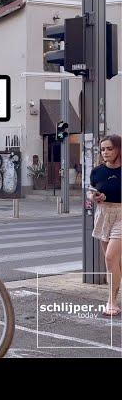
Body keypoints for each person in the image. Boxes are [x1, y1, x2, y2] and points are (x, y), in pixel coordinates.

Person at [88, 134, 121, 316]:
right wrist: (93, 196)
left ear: (118, 149)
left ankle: (111, 301)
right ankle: (114, 295)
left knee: (110, 257)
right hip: (103, 214)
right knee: (113, 262)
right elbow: (91, 191)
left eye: (110, 148)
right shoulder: (97, 171)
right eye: (103, 149)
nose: (106, 152)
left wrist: (110, 197)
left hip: (121, 215)